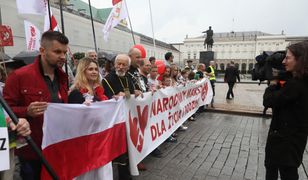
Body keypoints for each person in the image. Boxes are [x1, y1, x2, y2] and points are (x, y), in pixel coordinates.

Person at [3, 31, 69, 179]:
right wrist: (27, 111)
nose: (63, 56)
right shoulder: (19, 76)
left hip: (58, 147)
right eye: (57, 51)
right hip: (31, 151)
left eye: (64, 52)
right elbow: (5, 111)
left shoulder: (63, 77)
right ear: (42, 50)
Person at [263, 41, 308, 180]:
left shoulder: (296, 85)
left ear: (300, 60)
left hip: (285, 142)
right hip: (292, 140)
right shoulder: (299, 80)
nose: (283, 61)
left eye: (287, 58)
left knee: (286, 173)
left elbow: (268, 100)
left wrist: (273, 82)